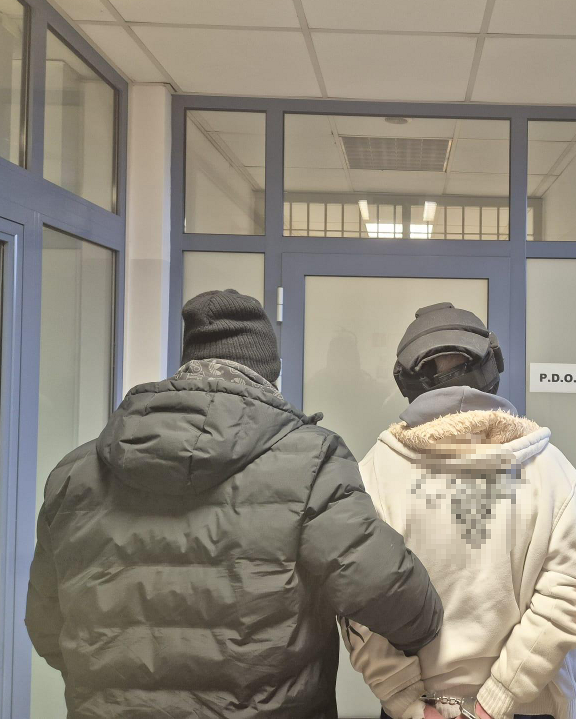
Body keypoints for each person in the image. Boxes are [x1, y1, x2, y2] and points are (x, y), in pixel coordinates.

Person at [26, 289, 443, 718]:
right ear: (269, 372)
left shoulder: (76, 473)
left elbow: (46, 628)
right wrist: (425, 635)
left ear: (188, 361)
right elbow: (397, 598)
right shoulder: (310, 463)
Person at [341, 302, 576, 719]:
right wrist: (495, 701)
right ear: (492, 366)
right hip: (527, 708)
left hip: (420, 710)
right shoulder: (552, 470)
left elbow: (359, 601)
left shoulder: (372, 474)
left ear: (405, 380)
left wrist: (406, 700)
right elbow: (570, 595)